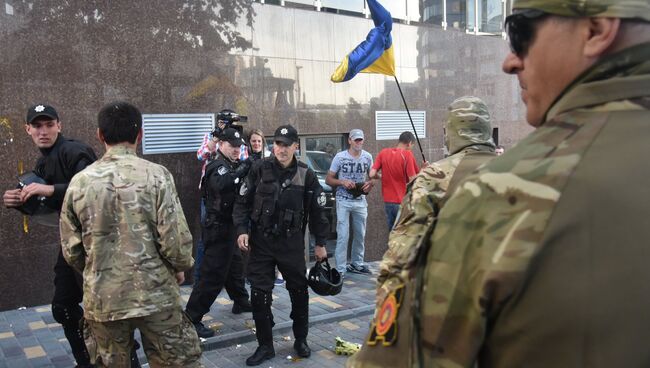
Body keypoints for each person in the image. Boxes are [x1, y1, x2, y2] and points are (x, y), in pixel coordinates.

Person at [353, 1, 650, 366]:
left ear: (596, 30)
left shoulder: (501, 193)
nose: (510, 62)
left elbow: (395, 351)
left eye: (521, 34)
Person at [346, 96, 496, 367]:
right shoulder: (523, 171)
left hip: (450, 315)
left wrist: (382, 339)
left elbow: (399, 262)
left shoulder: (434, 177)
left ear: (449, 133)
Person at [60, 101, 201, 367]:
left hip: (104, 300)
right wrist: (180, 267)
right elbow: (175, 239)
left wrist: (98, 272)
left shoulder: (80, 182)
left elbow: (72, 251)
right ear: (140, 134)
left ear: (100, 135)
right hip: (157, 295)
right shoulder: (158, 176)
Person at [2, 104, 97, 368]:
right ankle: (86, 361)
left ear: (59, 125)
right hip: (71, 242)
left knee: (106, 314)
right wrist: (17, 200)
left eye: (49, 124)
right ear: (28, 129)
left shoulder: (74, 151)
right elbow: (45, 204)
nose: (43, 131)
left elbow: (92, 190)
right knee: (64, 307)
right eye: (37, 126)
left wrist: (47, 188)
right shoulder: (43, 162)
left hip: (97, 242)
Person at [233, 124, 329, 366]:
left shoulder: (306, 175)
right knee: (259, 294)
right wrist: (242, 230)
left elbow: (319, 213)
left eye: (286, 145)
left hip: (291, 244)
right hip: (262, 243)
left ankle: (301, 339)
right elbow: (242, 202)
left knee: (299, 291)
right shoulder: (258, 169)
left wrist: (320, 244)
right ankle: (265, 346)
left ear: (296, 146)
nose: (281, 149)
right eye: (277, 144)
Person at [185, 127, 253, 338]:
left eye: (239, 147)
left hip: (230, 227)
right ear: (221, 144)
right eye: (232, 146)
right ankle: (191, 317)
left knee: (234, 267)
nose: (236, 150)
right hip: (218, 229)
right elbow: (223, 184)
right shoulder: (217, 166)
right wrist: (243, 169)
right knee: (212, 277)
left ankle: (240, 300)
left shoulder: (232, 164)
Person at [194, 108, 249, 285]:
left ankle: (235, 287)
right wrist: (218, 137)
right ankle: (198, 278)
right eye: (226, 121)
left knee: (234, 239)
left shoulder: (239, 139)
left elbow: (243, 160)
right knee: (208, 239)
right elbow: (201, 155)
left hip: (233, 194)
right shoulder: (211, 137)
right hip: (212, 194)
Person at [326, 129, 374, 276]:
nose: (358, 142)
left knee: (360, 233)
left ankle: (357, 263)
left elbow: (372, 177)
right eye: (356, 140)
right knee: (343, 235)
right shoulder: (340, 157)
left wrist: (370, 184)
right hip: (343, 200)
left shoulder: (367, 157)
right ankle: (340, 268)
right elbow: (329, 179)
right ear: (350, 140)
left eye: (361, 140)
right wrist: (342, 182)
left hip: (360, 200)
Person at [368, 131, 420, 229]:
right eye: (412, 146)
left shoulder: (383, 152)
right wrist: (424, 170)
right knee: (404, 234)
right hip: (403, 201)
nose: (411, 148)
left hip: (388, 202)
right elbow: (413, 180)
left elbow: (371, 174)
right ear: (409, 143)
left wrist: (380, 176)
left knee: (392, 233)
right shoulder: (407, 154)